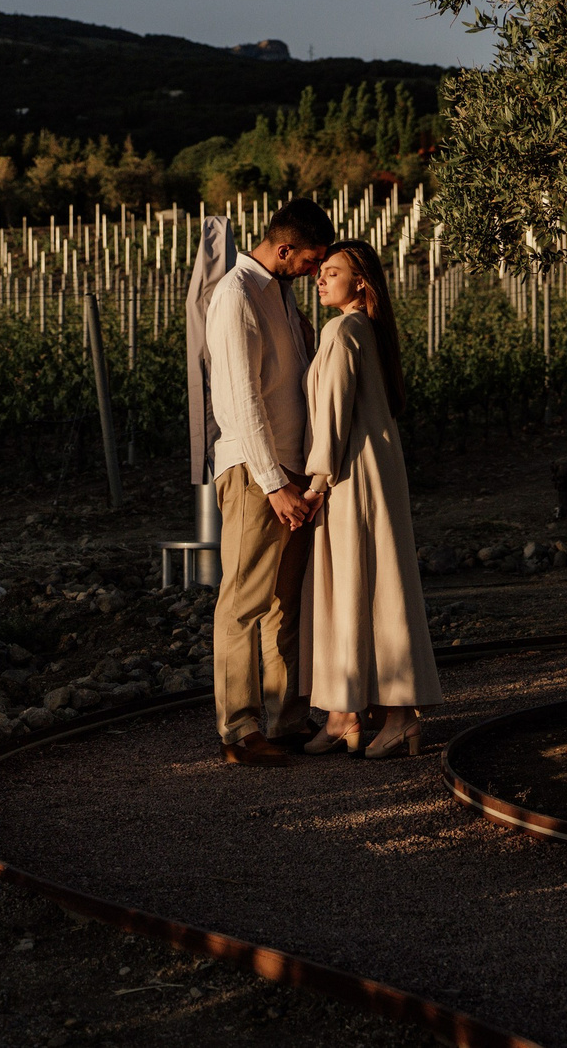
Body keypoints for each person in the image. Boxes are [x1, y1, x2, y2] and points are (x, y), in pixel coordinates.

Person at [203, 197, 337, 767]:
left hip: (291, 471)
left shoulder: (279, 295)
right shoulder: (236, 295)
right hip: (256, 472)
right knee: (244, 599)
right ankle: (238, 730)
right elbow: (239, 400)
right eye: (309, 261)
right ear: (284, 250)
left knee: (286, 600)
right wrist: (272, 482)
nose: (314, 271)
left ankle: (285, 719)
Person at [299, 239, 442, 758]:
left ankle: (394, 714)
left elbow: (333, 416)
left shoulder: (342, 331)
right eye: (321, 272)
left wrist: (315, 485)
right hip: (375, 470)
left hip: (350, 476)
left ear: (361, 282)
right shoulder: (368, 331)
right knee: (371, 581)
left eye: (331, 272)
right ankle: (345, 712)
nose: (320, 278)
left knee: (358, 586)